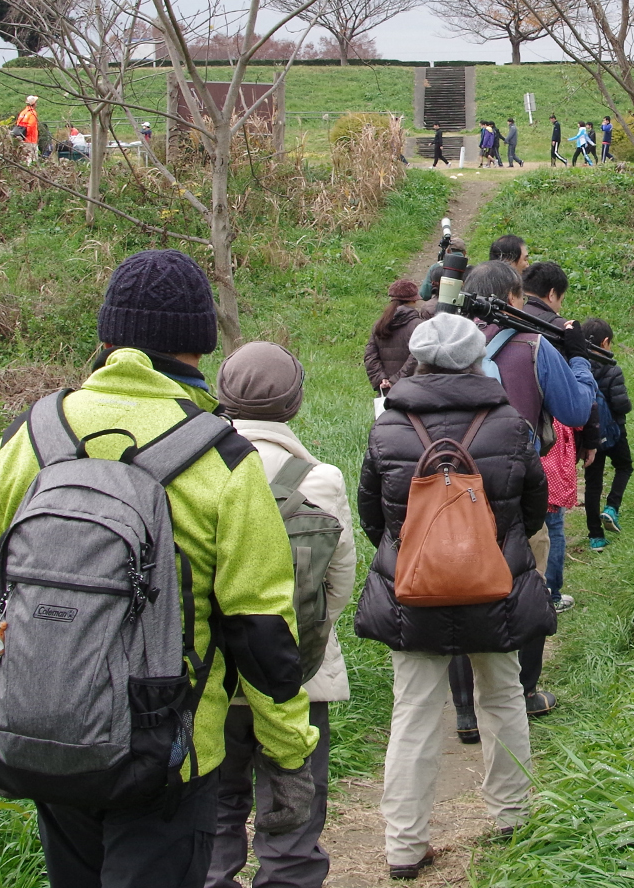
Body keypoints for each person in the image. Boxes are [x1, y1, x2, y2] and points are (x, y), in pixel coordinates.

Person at [0, 250, 320, 888]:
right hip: (169, 753)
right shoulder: (224, 462)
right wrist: (288, 751)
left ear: (106, 338)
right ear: (199, 349)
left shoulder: (30, 437)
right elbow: (262, 630)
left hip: (47, 726)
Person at [356, 311, 553, 880]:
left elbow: (376, 516)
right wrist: (492, 550)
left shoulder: (388, 429)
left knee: (414, 711)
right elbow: (534, 509)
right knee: (503, 695)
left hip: (412, 594)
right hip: (496, 587)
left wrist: (420, 554)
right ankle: (512, 816)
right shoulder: (511, 426)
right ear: (476, 360)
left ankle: (404, 844)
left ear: (416, 360)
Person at [208, 342, 356, 888]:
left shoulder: (197, 468)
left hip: (213, 681)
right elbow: (338, 584)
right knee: (293, 820)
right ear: (294, 404)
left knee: (214, 817)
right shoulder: (320, 480)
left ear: (222, 397)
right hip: (298, 679)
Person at [448, 258, 596, 724]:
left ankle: (466, 711)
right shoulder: (533, 347)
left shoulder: (441, 343)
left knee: (459, 593)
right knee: (525, 588)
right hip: (515, 489)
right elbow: (574, 409)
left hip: (452, 490)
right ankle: (523, 693)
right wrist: (579, 359)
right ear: (513, 298)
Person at [519, 261, 596, 611]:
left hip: (507, 443)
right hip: (551, 440)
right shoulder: (559, 332)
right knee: (553, 521)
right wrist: (591, 438)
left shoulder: (507, 321)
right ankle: (548, 596)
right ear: (552, 294)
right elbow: (580, 401)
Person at [578, 319, 632, 552]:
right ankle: (611, 507)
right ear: (605, 342)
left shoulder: (577, 367)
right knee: (625, 467)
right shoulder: (612, 369)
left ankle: (595, 537)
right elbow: (622, 405)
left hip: (591, 435)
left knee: (592, 484)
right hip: (615, 432)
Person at [363, 279, 428, 394]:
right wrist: (396, 380)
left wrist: (381, 379)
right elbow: (417, 356)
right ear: (413, 300)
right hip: (412, 390)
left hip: (386, 391)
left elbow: (370, 355)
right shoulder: (419, 326)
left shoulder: (379, 324)